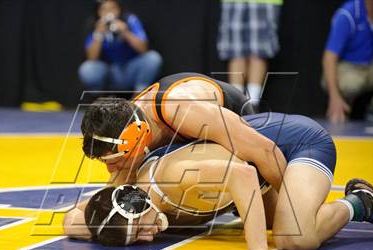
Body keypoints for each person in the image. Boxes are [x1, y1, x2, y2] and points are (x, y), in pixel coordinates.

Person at [65, 112, 373, 250]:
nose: (148, 236)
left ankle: (361, 202)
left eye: (140, 228)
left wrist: (256, 249)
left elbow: (241, 173)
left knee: (292, 237)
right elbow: (72, 219)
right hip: (256, 168)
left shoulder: (170, 178)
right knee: (271, 218)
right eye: (137, 238)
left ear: (139, 203)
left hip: (296, 144)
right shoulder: (127, 194)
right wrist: (107, 230)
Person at [80, 72, 285, 197]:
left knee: (285, 225)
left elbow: (265, 151)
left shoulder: (181, 108)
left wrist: (291, 208)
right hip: (202, 139)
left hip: (248, 129)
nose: (109, 169)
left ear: (136, 137)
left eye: (114, 160)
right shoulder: (124, 124)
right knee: (136, 193)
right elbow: (107, 199)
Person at [78, 0, 162, 92]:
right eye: (104, 9)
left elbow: (144, 49)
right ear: (98, 12)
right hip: (110, 73)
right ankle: (99, 98)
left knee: (153, 57)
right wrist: (99, 34)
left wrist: (125, 32)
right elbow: (92, 58)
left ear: (120, 9)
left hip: (130, 69)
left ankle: (139, 95)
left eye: (113, 8)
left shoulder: (130, 20)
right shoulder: (95, 24)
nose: (108, 12)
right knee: (87, 69)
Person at [217, 0, 283, 108]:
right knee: (235, 51)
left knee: (259, 51)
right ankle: (236, 104)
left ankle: (252, 105)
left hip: (263, 2)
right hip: (233, 2)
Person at [322, 0, 373, 123]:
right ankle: (341, 108)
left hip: (371, 66)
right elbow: (329, 57)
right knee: (349, 82)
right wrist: (334, 97)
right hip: (350, 68)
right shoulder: (347, 14)